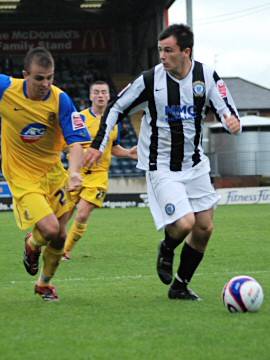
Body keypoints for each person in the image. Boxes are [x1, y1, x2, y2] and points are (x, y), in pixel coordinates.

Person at [84, 24, 241, 301]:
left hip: (195, 165)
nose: (162, 56)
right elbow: (117, 107)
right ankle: (167, 249)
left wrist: (232, 123)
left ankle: (180, 285)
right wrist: (98, 144)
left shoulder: (205, 76)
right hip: (162, 166)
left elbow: (227, 110)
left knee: (204, 228)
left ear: (186, 52)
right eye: (160, 50)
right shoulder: (149, 80)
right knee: (184, 224)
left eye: (168, 51)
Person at [0, 47, 91, 301]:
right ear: (25, 75)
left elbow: (75, 144)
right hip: (22, 176)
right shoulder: (6, 89)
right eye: (39, 78)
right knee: (51, 229)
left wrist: (74, 173)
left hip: (53, 173)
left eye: (50, 77)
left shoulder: (61, 100)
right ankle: (31, 245)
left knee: (60, 236)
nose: (46, 84)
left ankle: (43, 284)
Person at [63, 80, 137, 260]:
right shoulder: (79, 118)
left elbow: (113, 147)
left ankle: (65, 252)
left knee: (82, 213)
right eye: (96, 92)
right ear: (90, 96)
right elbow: (66, 146)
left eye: (104, 92)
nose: (100, 95)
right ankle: (48, 245)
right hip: (76, 174)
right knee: (62, 216)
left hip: (98, 176)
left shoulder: (114, 122)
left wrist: (128, 153)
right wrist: (84, 152)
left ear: (109, 96)